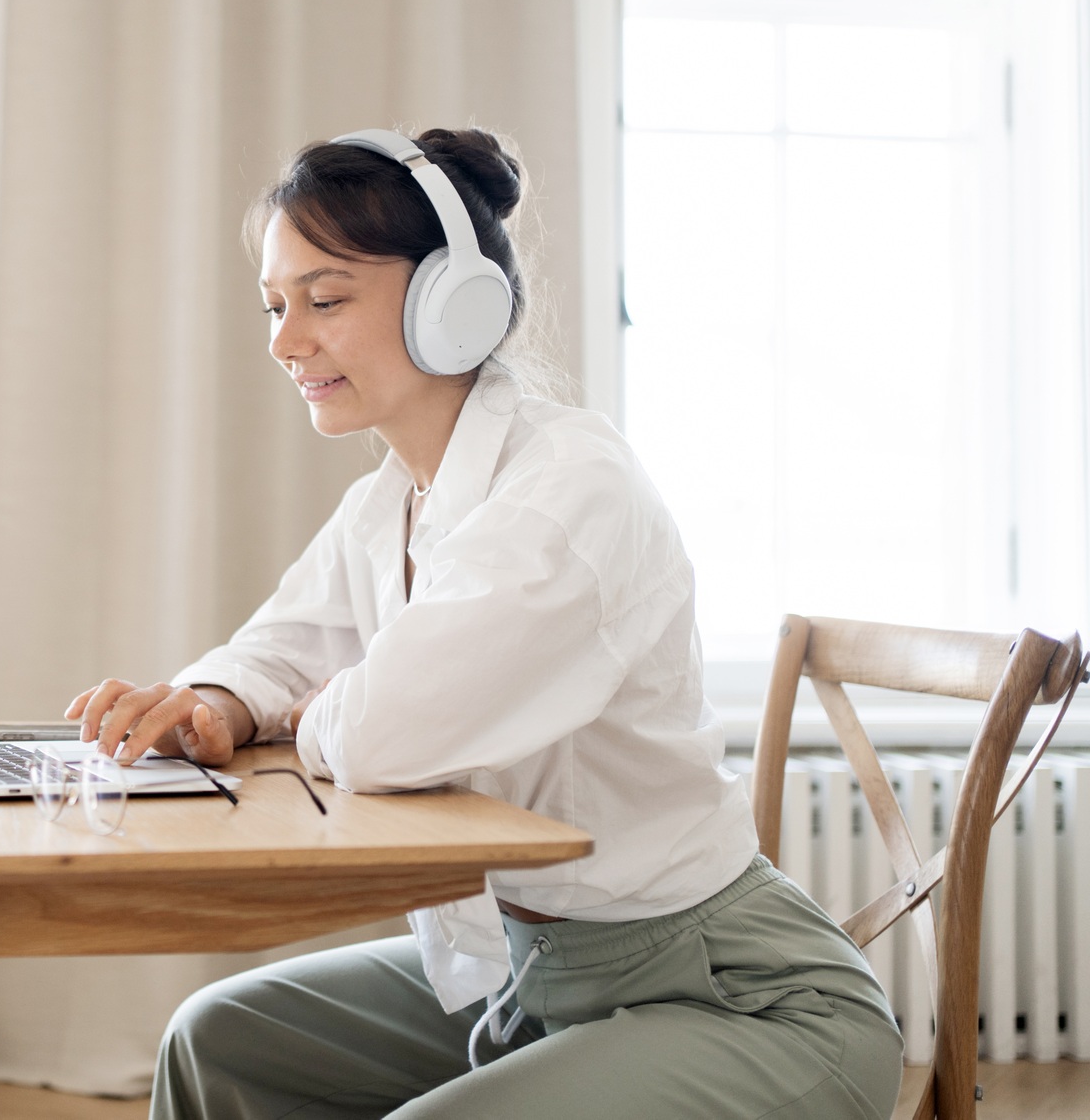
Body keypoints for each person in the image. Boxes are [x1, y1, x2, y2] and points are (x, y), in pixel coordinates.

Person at [65, 127, 903, 1119]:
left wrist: (327, 709)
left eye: (323, 300)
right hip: (527, 969)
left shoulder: (564, 491)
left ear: (451, 304)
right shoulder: (396, 497)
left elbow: (380, 734)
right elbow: (285, 647)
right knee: (216, 1042)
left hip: (740, 1003)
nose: (284, 342)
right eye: (275, 305)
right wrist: (219, 699)